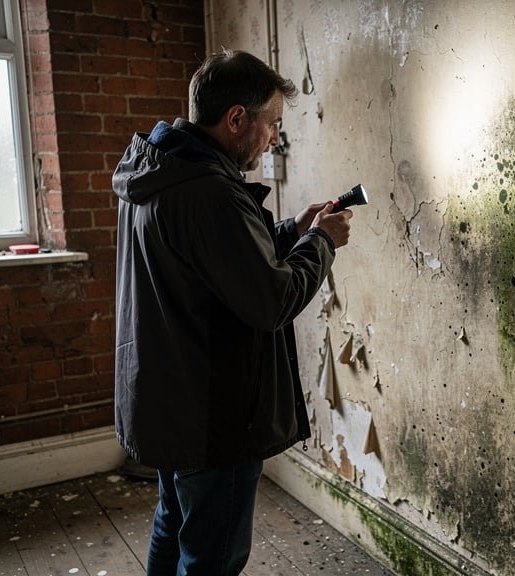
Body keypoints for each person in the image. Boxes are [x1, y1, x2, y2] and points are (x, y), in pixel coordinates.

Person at [112, 49, 352, 576]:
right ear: (237, 118)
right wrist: (321, 243)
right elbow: (273, 300)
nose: (274, 138)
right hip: (213, 411)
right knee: (213, 557)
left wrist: (292, 231)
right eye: (272, 123)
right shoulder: (210, 192)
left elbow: (214, 261)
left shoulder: (159, 172)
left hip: (168, 398)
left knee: (173, 522)